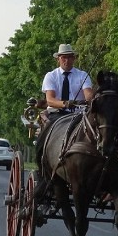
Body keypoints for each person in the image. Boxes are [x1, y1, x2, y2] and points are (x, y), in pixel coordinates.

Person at [33, 43, 94, 189]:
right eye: (64, 58)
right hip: (57, 115)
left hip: (79, 115)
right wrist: (65, 104)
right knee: (44, 137)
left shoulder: (83, 75)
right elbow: (50, 100)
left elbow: (89, 95)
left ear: (74, 58)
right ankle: (43, 171)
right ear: (58, 59)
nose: (67, 61)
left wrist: (88, 100)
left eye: (70, 57)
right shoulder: (51, 76)